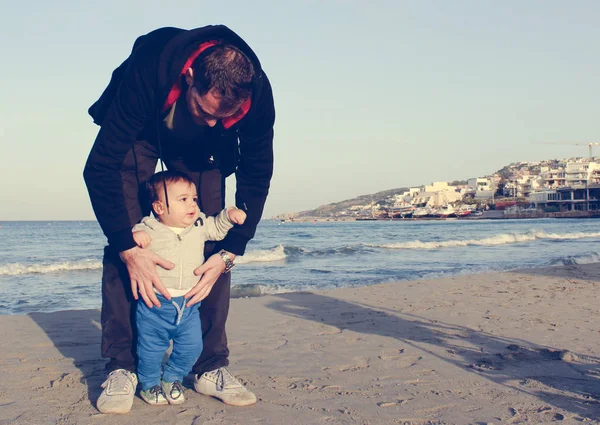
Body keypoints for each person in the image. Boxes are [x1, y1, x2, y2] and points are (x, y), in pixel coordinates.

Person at [84, 25, 275, 414]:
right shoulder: (149, 70)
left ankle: (209, 366)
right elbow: (99, 168)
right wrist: (124, 245)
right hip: (143, 129)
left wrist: (231, 251)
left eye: (226, 115)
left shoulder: (255, 93)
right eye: (206, 111)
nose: (213, 122)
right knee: (131, 240)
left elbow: (257, 173)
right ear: (189, 78)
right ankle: (123, 366)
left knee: (210, 237)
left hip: (204, 154)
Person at [131, 170, 246, 406]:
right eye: (183, 199)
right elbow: (133, 238)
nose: (192, 204)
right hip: (155, 305)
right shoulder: (149, 227)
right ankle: (150, 383)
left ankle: (172, 377)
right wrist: (137, 237)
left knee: (193, 346)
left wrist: (229, 215)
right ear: (160, 208)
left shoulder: (199, 224)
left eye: (193, 198)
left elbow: (216, 227)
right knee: (151, 350)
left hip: (189, 305)